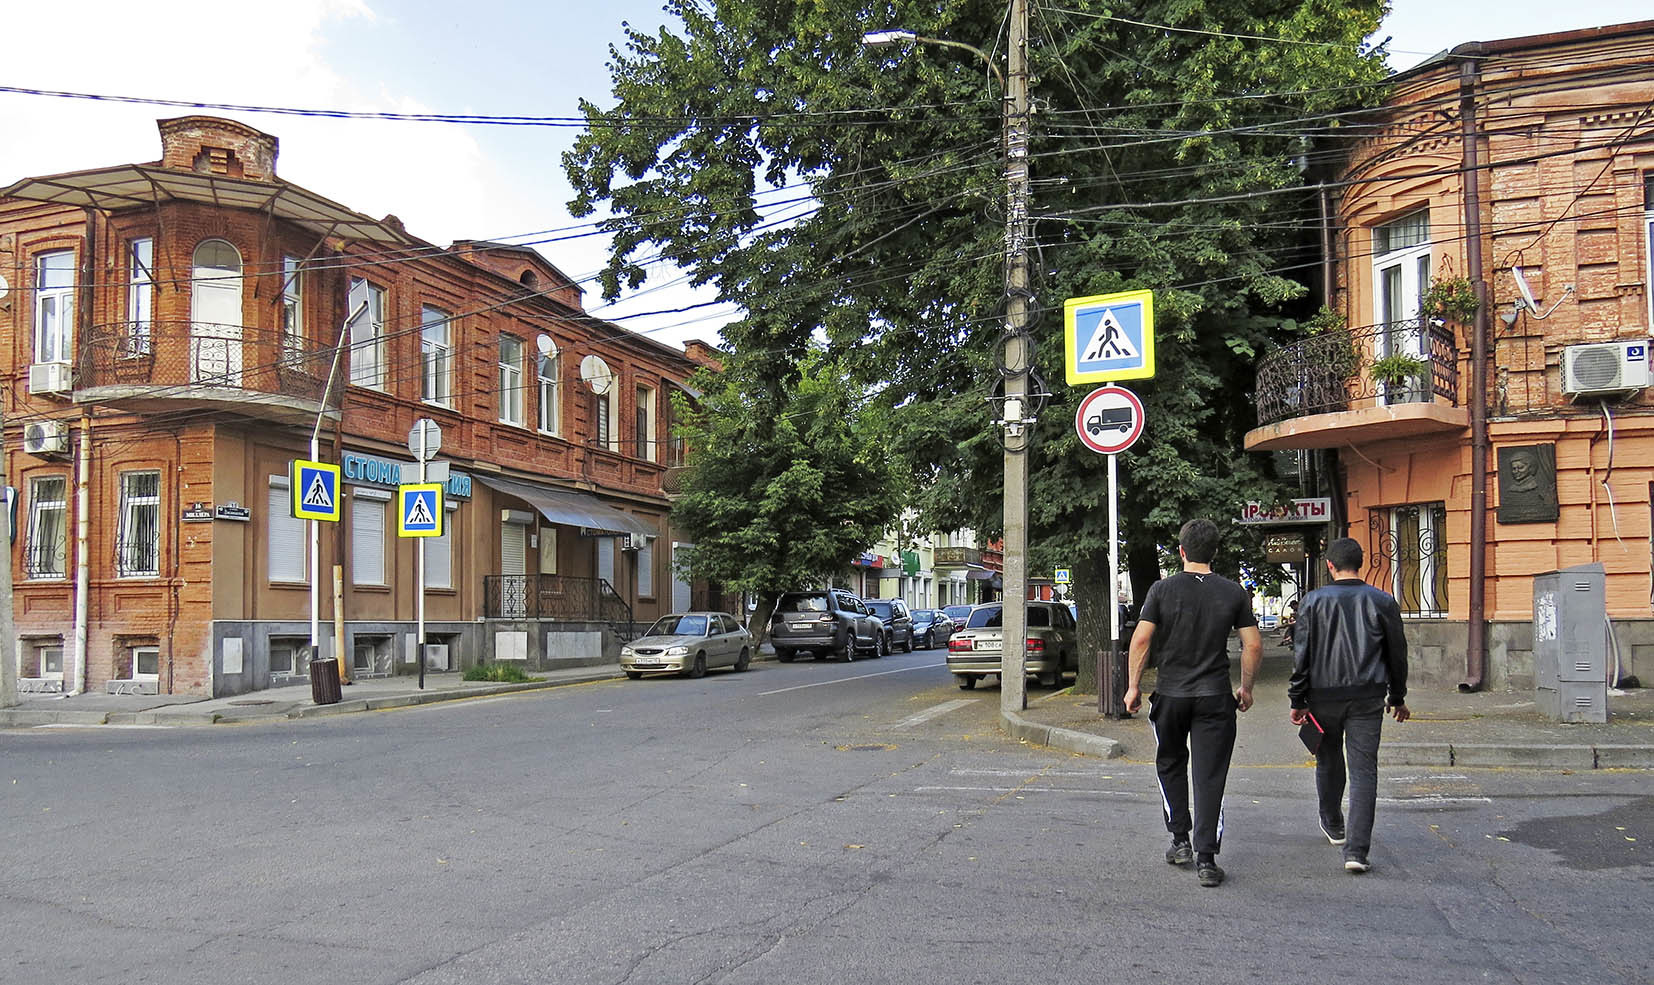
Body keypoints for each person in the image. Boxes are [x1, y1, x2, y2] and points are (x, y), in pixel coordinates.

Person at [1125, 519, 1263, 889]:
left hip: (1170, 694)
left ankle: (1179, 840)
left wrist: (1133, 687)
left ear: (1181, 551)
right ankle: (1206, 859)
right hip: (1215, 697)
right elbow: (1253, 644)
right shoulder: (1233, 592)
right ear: (1214, 552)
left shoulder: (1161, 590)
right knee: (1210, 774)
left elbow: (1140, 641)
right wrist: (1246, 689)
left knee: (1169, 763)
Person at [1288, 537, 1410, 874]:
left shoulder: (1312, 602)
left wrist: (1297, 700)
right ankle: (1357, 852)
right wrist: (1396, 696)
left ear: (1329, 565)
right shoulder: (1382, 601)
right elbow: (1397, 654)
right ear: (1363, 562)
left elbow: (1302, 657)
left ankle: (1333, 823)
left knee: (1327, 761)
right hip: (1368, 697)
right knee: (1364, 770)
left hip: (1322, 697)